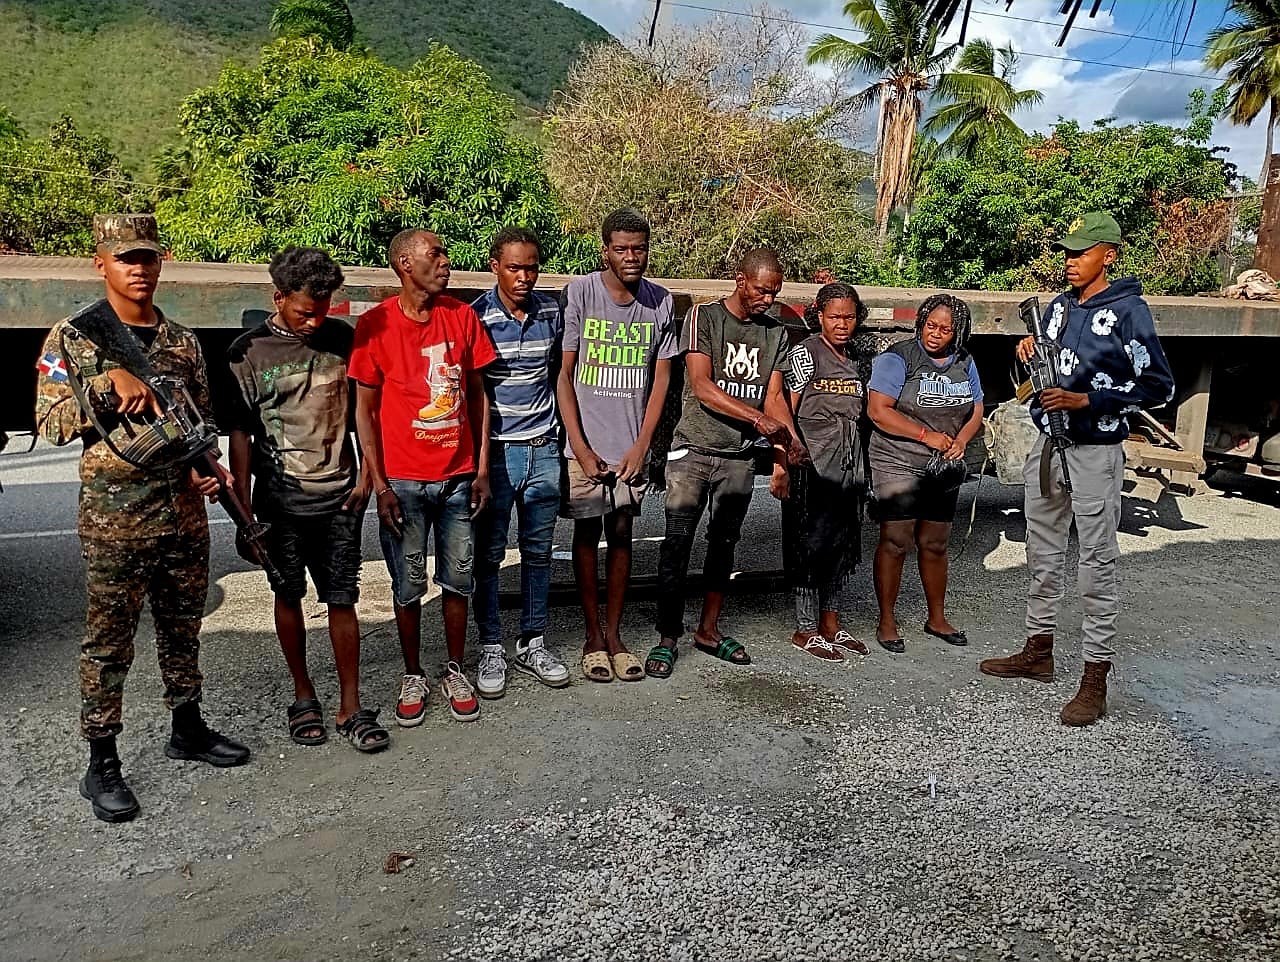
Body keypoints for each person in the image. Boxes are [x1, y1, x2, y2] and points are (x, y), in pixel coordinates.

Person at [34, 213, 249, 824]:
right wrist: (106, 384)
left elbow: (199, 421)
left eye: (148, 257)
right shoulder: (71, 339)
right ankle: (101, 762)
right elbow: (50, 424)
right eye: (126, 257)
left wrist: (206, 469)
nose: (139, 268)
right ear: (100, 263)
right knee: (109, 643)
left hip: (183, 515)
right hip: (116, 519)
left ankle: (187, 726)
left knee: (182, 629)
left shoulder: (182, 340)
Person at [980, 212, 1174, 726]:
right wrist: (1029, 352)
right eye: (1067, 252)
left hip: (1095, 450)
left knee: (1096, 563)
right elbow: (1049, 369)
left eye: (1081, 252)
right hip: (1049, 443)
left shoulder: (1129, 311)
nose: (1070, 261)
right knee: (1041, 553)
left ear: (1108, 255)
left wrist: (1087, 400)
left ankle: (1094, 678)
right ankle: (1038, 650)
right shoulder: (1060, 308)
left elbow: (1159, 386)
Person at [226, 246, 388, 753]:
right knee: (287, 594)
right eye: (303, 312)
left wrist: (369, 475)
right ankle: (303, 696)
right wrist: (244, 511)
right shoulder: (248, 353)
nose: (314, 321)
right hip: (280, 503)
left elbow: (365, 412)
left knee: (343, 598)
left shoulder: (342, 339)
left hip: (340, 498)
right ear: (279, 298)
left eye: (322, 311)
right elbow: (240, 437)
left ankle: (350, 704)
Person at [350, 229, 497, 724]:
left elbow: (478, 395)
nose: (446, 261)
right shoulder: (375, 325)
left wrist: (481, 468)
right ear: (404, 264)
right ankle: (412, 672)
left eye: (445, 253)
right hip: (403, 483)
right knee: (408, 584)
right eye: (435, 254)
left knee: (458, 579)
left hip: (458, 478)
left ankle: (455, 669)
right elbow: (364, 412)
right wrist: (380, 485)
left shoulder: (461, 315)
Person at [646, 248, 803, 678]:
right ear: (740, 280)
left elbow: (774, 398)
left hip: (738, 456)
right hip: (694, 450)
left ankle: (708, 630)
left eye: (774, 293)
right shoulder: (706, 317)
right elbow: (701, 386)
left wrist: (786, 451)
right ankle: (667, 636)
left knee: (724, 544)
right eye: (761, 290)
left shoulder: (775, 332)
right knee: (677, 543)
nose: (768, 299)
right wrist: (758, 420)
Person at [557, 208, 677, 683]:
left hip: (630, 448)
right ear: (605, 250)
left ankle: (615, 634)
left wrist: (642, 446)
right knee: (587, 536)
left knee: (622, 534)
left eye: (639, 248)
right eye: (621, 248)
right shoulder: (581, 293)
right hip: (587, 446)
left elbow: (662, 380)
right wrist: (581, 447)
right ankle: (592, 635)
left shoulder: (659, 302)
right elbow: (565, 375)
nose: (631, 257)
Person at [470, 227, 570, 696]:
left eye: (531, 267)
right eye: (514, 267)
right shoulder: (477, 317)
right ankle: (491, 646)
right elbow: (475, 393)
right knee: (489, 555)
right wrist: (480, 464)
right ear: (495, 266)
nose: (524, 277)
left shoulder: (551, 311)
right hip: (497, 452)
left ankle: (533, 642)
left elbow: (559, 374)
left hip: (543, 447)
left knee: (538, 552)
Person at [867, 293, 984, 654]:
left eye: (945, 329)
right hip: (897, 459)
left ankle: (937, 618)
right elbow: (878, 410)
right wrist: (925, 435)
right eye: (930, 325)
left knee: (935, 542)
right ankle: (887, 620)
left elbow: (977, 408)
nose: (936, 333)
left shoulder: (965, 361)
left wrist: (961, 440)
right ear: (920, 324)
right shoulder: (898, 357)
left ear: (957, 332)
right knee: (896, 540)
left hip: (942, 465)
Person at [782, 282, 871, 662]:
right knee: (810, 542)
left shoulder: (856, 358)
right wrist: (784, 458)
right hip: (813, 461)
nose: (842, 324)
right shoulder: (806, 354)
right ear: (819, 315)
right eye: (834, 316)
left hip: (849, 460)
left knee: (843, 541)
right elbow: (783, 407)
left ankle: (831, 622)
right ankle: (806, 628)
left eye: (849, 317)